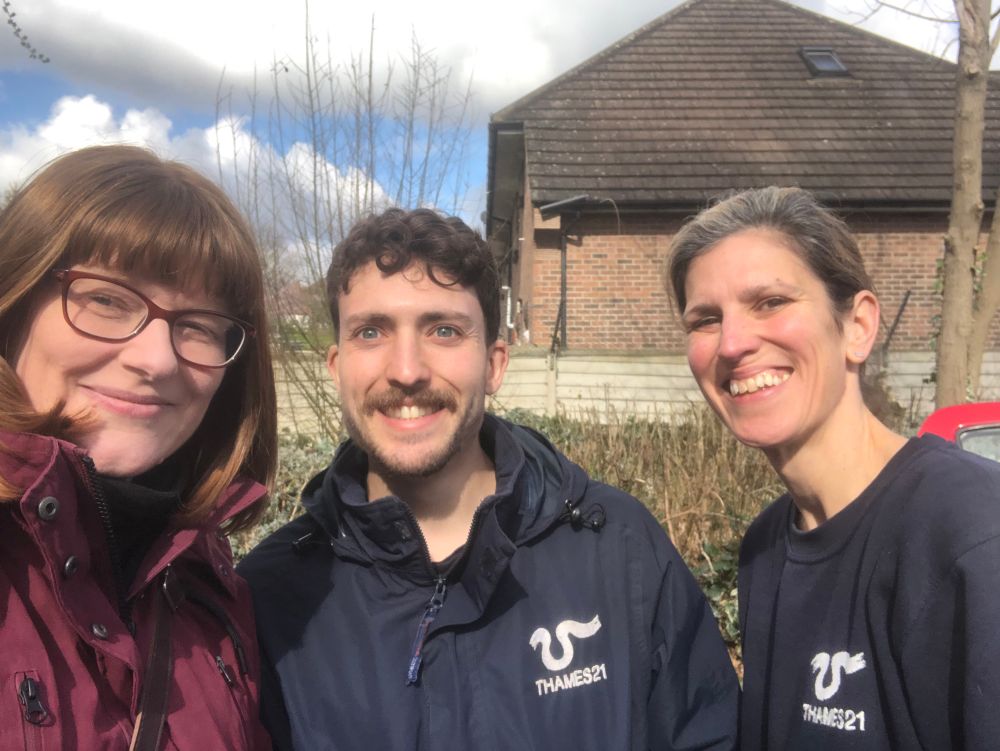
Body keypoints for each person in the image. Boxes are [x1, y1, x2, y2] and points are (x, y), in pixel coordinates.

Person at [238, 207, 739, 750]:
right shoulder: (271, 598)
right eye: (372, 331)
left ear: (495, 364)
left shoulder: (621, 552)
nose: (406, 370)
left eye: (445, 330)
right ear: (337, 367)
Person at [667, 185, 1000, 750]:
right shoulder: (766, 547)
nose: (732, 343)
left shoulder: (972, 533)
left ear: (857, 327)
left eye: (770, 302)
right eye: (705, 319)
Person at [0, 145, 277, 749]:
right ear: (14, 303)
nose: (155, 360)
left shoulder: (211, 584)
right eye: (105, 299)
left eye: (199, 325)